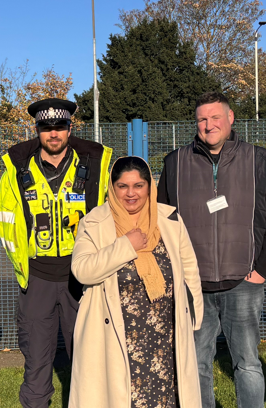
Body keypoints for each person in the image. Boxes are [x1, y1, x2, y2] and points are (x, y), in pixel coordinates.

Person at [157, 91, 266, 408]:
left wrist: (261, 272)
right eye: (202, 119)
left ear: (230, 118)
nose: (208, 125)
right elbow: (161, 225)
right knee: (196, 366)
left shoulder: (257, 160)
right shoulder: (175, 164)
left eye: (215, 117)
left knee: (247, 364)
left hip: (243, 284)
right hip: (194, 287)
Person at [0, 98, 112, 408]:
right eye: (47, 127)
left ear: (70, 128)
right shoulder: (17, 170)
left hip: (82, 281)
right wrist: (23, 268)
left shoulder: (95, 166)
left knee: (90, 363)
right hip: (38, 281)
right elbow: (4, 221)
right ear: (38, 130)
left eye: (60, 126)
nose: (54, 133)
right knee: (36, 365)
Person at [69, 156, 203, 408]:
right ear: (113, 187)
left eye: (138, 185)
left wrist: (194, 317)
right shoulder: (94, 222)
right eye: (123, 186)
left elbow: (189, 268)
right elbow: (82, 270)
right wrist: (125, 246)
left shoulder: (170, 220)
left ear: (149, 187)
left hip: (164, 337)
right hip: (118, 336)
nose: (131, 193)